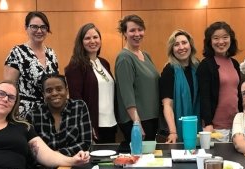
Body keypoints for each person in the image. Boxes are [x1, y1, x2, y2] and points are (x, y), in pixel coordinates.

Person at [0, 80, 90, 169]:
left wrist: (73, 160)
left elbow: (47, 155)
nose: (5, 99)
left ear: (14, 104)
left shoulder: (23, 127)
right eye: (1, 93)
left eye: (11, 97)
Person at [65, 23, 117, 143]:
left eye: (95, 37)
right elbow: (76, 100)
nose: (92, 41)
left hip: (111, 123)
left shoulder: (104, 63)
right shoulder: (76, 66)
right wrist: (87, 124)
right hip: (92, 125)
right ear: (81, 42)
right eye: (87, 38)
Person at [4, 11, 59, 116]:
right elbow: (9, 87)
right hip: (25, 114)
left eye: (43, 27)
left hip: (50, 112)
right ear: (26, 28)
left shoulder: (51, 53)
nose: (39, 31)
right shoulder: (17, 52)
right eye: (34, 27)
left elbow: (56, 83)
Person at [115, 14, 159, 142]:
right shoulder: (124, 58)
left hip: (150, 119)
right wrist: (136, 123)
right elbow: (127, 94)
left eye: (140, 29)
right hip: (136, 121)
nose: (137, 34)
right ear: (124, 33)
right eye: (132, 30)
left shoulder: (146, 55)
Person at [197, 21, 242, 142]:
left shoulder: (235, 63)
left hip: (236, 125)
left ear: (231, 40)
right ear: (209, 41)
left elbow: (238, 93)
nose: (221, 42)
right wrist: (208, 123)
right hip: (215, 128)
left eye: (225, 37)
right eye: (216, 38)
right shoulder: (206, 65)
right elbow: (204, 97)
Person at [159, 29, 200, 143]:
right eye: (176, 44)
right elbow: (167, 105)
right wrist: (173, 132)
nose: (181, 47)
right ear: (172, 49)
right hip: (177, 129)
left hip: (197, 126)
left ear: (190, 45)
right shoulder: (169, 70)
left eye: (184, 42)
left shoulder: (198, 67)